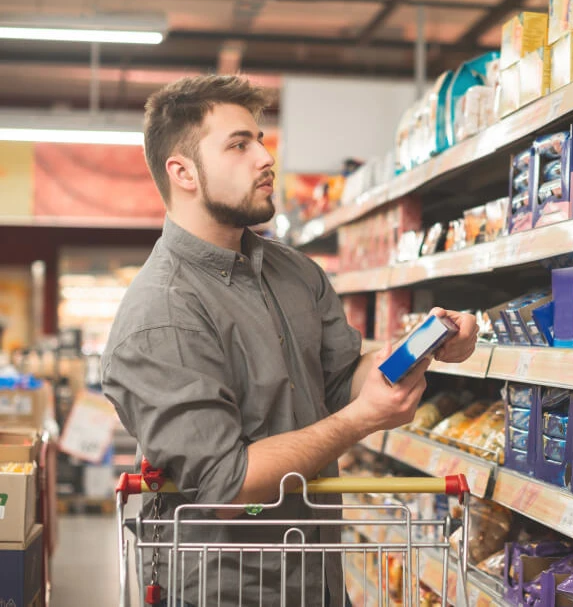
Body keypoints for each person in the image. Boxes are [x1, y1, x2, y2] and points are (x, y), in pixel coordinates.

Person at [101, 75, 478, 606]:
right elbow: (225, 485)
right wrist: (362, 419)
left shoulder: (295, 272)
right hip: (229, 590)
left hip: (317, 578)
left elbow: (344, 377)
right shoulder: (160, 315)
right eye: (239, 144)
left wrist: (424, 349)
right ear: (182, 172)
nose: (264, 157)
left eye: (260, 138)